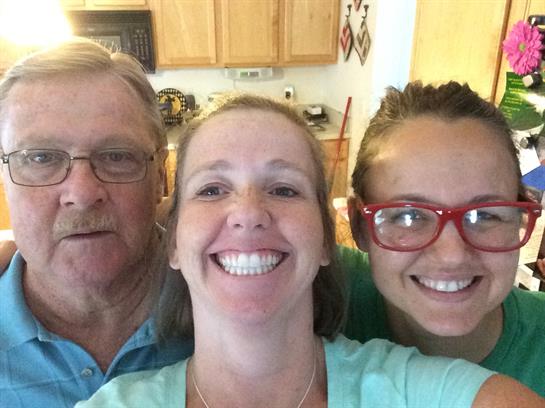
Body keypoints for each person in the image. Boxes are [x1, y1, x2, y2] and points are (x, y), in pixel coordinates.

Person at [78, 93, 544, 407]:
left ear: (326, 237)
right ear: (173, 238)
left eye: (284, 189)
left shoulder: (426, 387)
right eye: (212, 189)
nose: (247, 214)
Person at [0, 38, 192, 408]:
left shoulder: (241, 308)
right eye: (41, 158)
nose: (83, 193)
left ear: (160, 177)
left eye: (117, 156)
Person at [346, 81, 545, 397]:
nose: (452, 255)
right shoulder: (317, 317)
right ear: (360, 227)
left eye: (484, 215)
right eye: (409, 216)